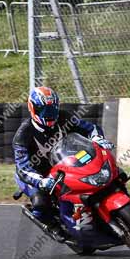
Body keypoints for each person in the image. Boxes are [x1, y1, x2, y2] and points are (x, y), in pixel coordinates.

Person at [14, 86, 113, 233]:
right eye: (43, 110)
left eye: (52, 109)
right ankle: (54, 227)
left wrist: (97, 138)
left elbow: (90, 128)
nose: (49, 114)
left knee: (100, 174)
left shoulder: (64, 117)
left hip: (64, 163)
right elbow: (23, 168)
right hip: (36, 173)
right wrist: (40, 181)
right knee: (40, 203)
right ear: (32, 108)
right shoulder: (23, 134)